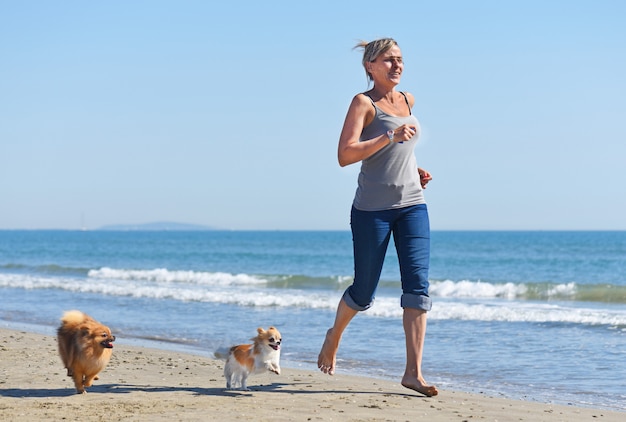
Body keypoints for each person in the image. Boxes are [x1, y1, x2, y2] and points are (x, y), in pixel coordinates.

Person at [317, 38, 438, 397]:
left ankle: (413, 373)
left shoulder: (408, 101)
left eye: (400, 60)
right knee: (364, 291)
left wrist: (415, 170)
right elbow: (345, 154)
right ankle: (333, 336)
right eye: (389, 60)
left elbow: (401, 151)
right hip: (372, 211)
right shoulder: (362, 103)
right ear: (371, 66)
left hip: (413, 205)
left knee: (417, 288)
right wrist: (389, 136)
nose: (397, 66)